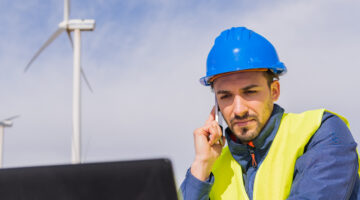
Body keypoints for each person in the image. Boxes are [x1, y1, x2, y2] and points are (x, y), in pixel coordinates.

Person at [180, 27, 360, 200]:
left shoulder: (319, 132)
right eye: (226, 96)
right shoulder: (212, 170)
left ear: (274, 91)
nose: (238, 109)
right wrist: (202, 165)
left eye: (250, 92)